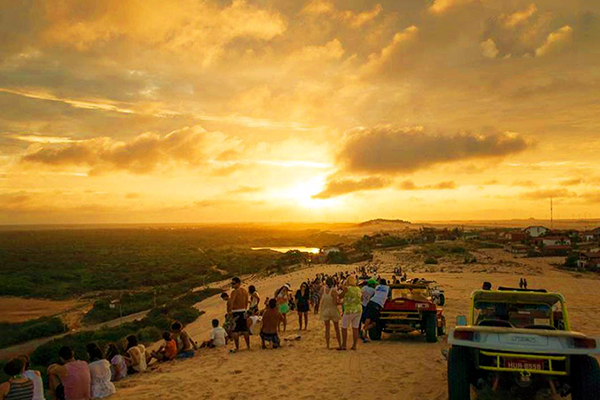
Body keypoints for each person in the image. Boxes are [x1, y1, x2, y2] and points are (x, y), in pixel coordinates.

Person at [339, 275, 362, 350]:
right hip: (358, 310)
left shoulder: (347, 288)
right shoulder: (358, 289)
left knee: (344, 327)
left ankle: (344, 344)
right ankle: (354, 345)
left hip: (349, 310)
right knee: (355, 328)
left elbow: (340, 296)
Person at [228, 277, 250, 351]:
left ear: (238, 283)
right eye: (232, 283)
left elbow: (231, 302)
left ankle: (237, 347)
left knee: (235, 331)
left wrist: (229, 311)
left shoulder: (234, 292)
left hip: (236, 312)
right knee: (245, 330)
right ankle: (248, 346)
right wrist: (245, 309)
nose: (232, 285)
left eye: (233, 283)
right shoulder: (244, 291)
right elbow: (247, 301)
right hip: (243, 311)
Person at [320, 277, 342, 350]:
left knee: (327, 329)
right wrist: (341, 303)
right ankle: (339, 344)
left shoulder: (323, 290)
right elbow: (335, 302)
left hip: (325, 310)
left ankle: (327, 345)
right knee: (336, 328)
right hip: (333, 310)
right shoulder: (333, 291)